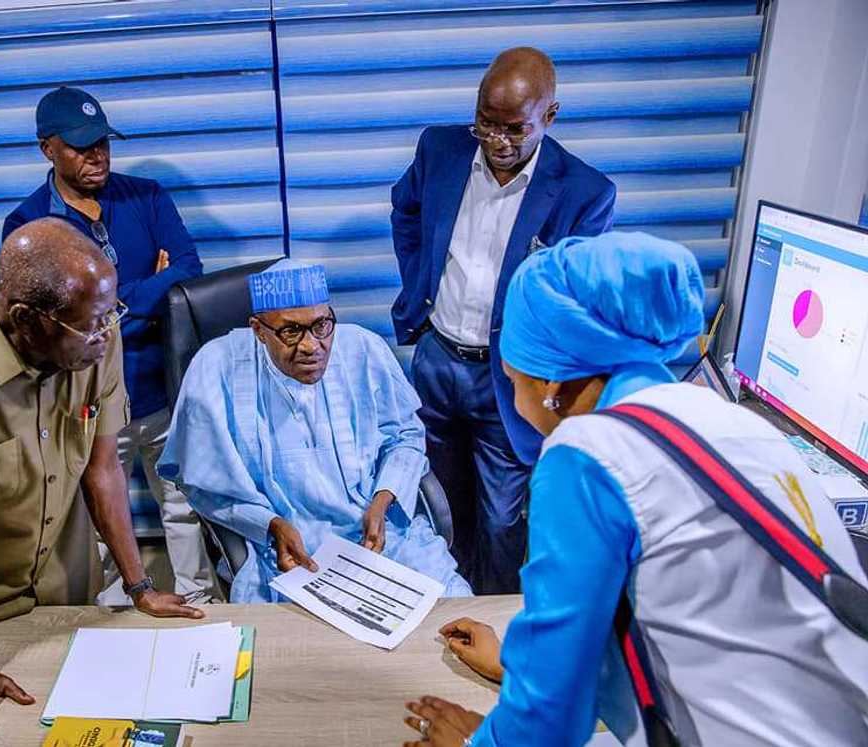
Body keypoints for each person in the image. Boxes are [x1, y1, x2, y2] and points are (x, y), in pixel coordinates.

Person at [402, 232, 868, 747]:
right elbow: (699, 615)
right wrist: (517, 661)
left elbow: (549, 728)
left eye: (512, 380)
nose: (512, 401)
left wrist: (475, 745)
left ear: (553, 385)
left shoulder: (587, 452)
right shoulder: (732, 422)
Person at [0, 218, 203, 747]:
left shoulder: (98, 333)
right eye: (92, 325)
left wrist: (140, 587)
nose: (107, 334)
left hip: (66, 592)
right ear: (27, 319)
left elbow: (103, 470)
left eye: (110, 315)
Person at [390, 47, 616, 593]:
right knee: (441, 507)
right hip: (437, 360)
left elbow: (573, 303)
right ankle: (445, 606)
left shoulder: (585, 194)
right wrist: (421, 287)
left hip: (509, 381)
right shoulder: (439, 149)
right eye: (486, 124)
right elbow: (407, 212)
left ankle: (494, 626)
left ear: (550, 116)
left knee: (502, 520)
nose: (496, 141)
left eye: (514, 129)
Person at [3, 86, 218, 603]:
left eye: (102, 142)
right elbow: (50, 320)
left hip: (162, 383)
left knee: (183, 504)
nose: (97, 155)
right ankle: (113, 609)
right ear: (46, 148)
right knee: (100, 512)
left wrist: (107, 307)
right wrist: (151, 289)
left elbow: (189, 268)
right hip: (85, 398)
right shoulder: (28, 226)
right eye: (80, 146)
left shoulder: (145, 196)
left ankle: (198, 601)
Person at [158, 260, 471, 602]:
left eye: (321, 325)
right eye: (291, 331)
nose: (311, 345)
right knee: (296, 645)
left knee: (449, 608)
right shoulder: (217, 369)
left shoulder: (364, 350)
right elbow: (205, 483)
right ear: (258, 330)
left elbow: (405, 438)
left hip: (380, 533)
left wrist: (383, 500)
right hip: (284, 548)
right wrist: (270, 525)